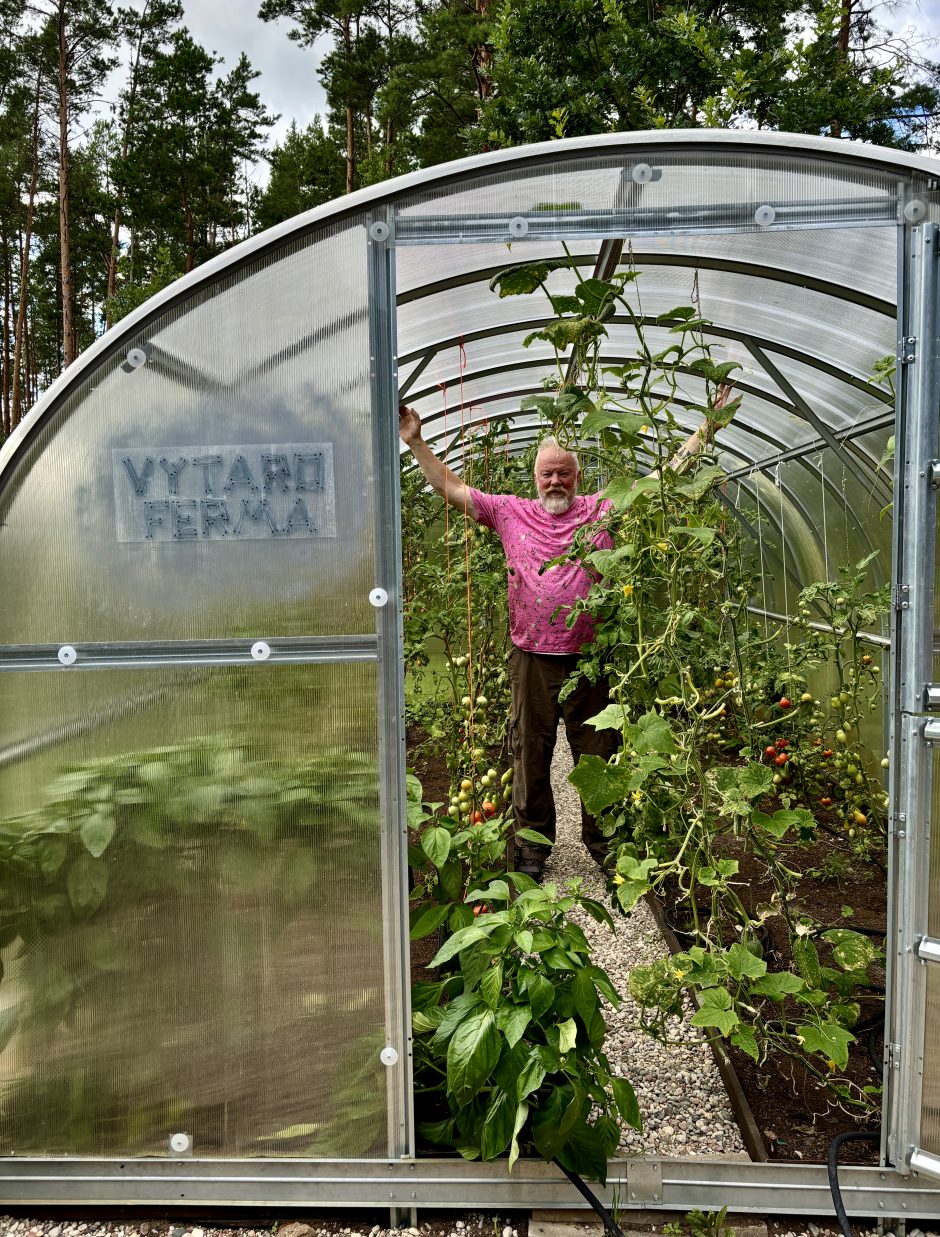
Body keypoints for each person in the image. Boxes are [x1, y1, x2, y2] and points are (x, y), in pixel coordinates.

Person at [398, 396, 729, 879]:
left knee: (599, 756)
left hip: (592, 658)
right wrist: (416, 443)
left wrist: (707, 429)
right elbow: (452, 489)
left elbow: (665, 482)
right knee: (529, 753)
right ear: (535, 478)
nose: (555, 481)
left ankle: (606, 845)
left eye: (564, 474)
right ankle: (532, 849)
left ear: (578, 477)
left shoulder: (604, 510)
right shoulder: (510, 512)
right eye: (547, 474)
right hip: (531, 658)